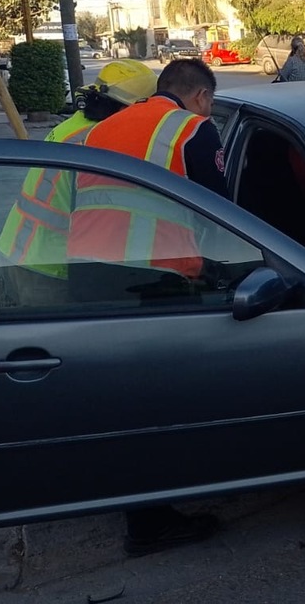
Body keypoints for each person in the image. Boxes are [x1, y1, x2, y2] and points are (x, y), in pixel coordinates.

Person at [65, 58, 227, 556]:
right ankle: (149, 523)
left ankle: (128, 499)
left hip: (87, 275)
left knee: (119, 401)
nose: (208, 111)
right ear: (200, 96)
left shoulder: (104, 129)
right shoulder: (192, 129)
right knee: (155, 403)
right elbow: (224, 213)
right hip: (149, 279)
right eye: (210, 103)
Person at [0, 60, 158, 306]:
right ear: (128, 107)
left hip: (19, 247)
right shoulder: (100, 140)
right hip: (49, 263)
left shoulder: (77, 124)